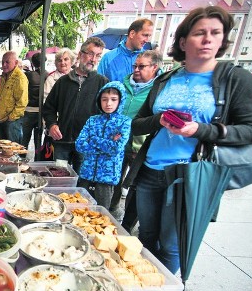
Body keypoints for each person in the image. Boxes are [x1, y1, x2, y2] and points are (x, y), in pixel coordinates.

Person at [125, 6, 252, 275]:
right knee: (144, 237)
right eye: (200, 33)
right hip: (151, 171)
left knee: (171, 245)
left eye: (216, 33)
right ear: (182, 42)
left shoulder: (234, 79)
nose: (208, 39)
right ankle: (141, 286)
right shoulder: (166, 79)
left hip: (191, 175)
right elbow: (137, 124)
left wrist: (200, 130)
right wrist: (160, 120)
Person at [109, 50, 163, 228]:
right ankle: (111, 211)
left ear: (154, 67)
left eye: (142, 66)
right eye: (135, 66)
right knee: (115, 178)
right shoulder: (124, 84)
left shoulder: (159, 89)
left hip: (141, 145)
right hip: (119, 142)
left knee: (137, 185)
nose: (136, 70)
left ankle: (131, 223)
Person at [43, 37, 108, 173]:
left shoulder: (102, 83)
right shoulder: (62, 82)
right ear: (80, 54)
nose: (93, 59)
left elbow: (107, 114)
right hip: (62, 141)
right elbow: (48, 108)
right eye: (90, 53)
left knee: (82, 180)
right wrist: (52, 124)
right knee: (59, 177)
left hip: (86, 144)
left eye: (98, 56)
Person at [75, 81, 131, 209]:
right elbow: (79, 145)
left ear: (120, 101)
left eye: (113, 99)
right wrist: (108, 142)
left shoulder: (124, 122)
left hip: (107, 177)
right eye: (104, 99)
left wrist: (93, 139)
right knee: (81, 209)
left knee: (101, 212)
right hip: (86, 173)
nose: (108, 103)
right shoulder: (92, 120)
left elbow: (115, 148)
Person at [97, 18, 153, 82]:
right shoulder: (108, 58)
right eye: (145, 35)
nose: (147, 40)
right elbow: (98, 85)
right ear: (132, 34)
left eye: (149, 36)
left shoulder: (149, 60)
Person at [0, 51, 28, 145]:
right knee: (4, 150)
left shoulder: (20, 78)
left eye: (7, 62)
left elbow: (22, 103)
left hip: (12, 121)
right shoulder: (4, 76)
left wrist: (11, 118)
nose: (4, 64)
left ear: (16, 63)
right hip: (2, 118)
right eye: (3, 62)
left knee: (14, 151)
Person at [22, 52, 43, 153]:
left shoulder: (28, 75)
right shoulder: (48, 75)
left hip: (29, 110)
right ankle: (38, 160)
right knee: (38, 141)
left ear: (32, 63)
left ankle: (21, 160)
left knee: (24, 139)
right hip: (41, 112)